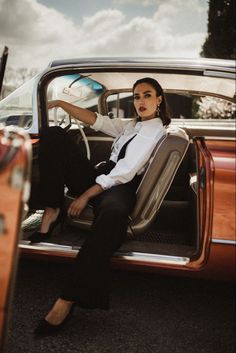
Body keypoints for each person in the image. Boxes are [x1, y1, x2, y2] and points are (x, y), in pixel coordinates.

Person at [32, 77, 171, 335]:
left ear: (159, 99)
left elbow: (126, 172)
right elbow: (96, 120)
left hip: (121, 185)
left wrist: (85, 195)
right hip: (102, 176)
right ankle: (52, 208)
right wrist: (62, 103)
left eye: (147, 95)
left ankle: (67, 300)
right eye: (137, 96)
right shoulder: (131, 125)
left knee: (114, 216)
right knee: (53, 134)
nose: (140, 101)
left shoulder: (154, 130)